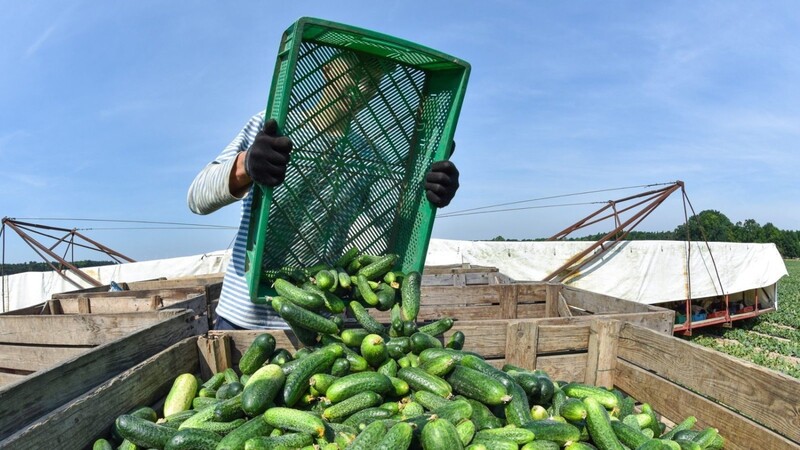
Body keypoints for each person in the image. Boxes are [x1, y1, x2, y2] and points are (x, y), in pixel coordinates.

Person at [188, 59, 461, 331]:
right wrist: (245, 165)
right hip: (243, 318)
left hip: (321, 321)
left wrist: (428, 192)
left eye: (374, 80)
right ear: (327, 68)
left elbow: (396, 227)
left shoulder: (368, 155)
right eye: (357, 71)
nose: (364, 85)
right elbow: (196, 198)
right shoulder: (271, 127)